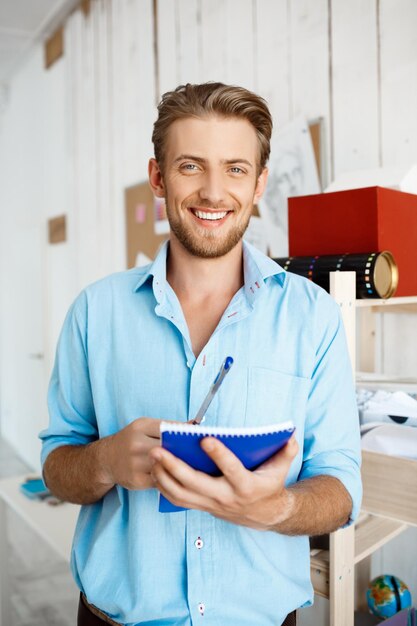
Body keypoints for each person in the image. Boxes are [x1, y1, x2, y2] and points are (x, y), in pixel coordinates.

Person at [40, 82, 362, 626]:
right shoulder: (95, 312)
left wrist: (274, 507)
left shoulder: (314, 317)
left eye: (235, 169)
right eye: (191, 166)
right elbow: (56, 466)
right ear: (158, 177)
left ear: (259, 183)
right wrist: (105, 461)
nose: (214, 192)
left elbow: (341, 485)